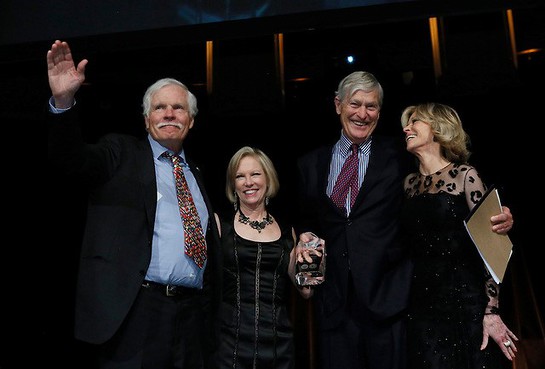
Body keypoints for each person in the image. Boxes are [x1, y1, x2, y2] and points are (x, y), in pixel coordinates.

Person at [294, 71, 514, 369]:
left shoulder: (401, 155)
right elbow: (310, 228)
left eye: (371, 106)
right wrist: (303, 262)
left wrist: (499, 216)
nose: (362, 113)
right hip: (335, 308)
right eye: (355, 104)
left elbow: (448, 186)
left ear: (379, 111)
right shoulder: (310, 165)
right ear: (338, 105)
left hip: (390, 304)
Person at [47, 39, 222, 369]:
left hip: (191, 320)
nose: (169, 113)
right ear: (146, 120)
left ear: (192, 121)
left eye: (178, 108)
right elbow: (72, 160)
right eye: (159, 108)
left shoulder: (197, 174)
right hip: (137, 313)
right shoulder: (120, 153)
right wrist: (64, 101)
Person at [399, 102, 518, 369]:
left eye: (415, 121)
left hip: (467, 304)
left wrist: (492, 311)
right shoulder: (408, 185)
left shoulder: (465, 176)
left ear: (438, 128)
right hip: (423, 306)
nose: (407, 128)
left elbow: (491, 247)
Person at [213, 146, 314, 369]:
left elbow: (306, 290)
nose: (248, 182)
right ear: (233, 184)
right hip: (230, 342)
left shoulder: (288, 231)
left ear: (268, 179)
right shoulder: (221, 224)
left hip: (278, 343)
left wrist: (315, 260)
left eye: (255, 174)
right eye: (240, 176)